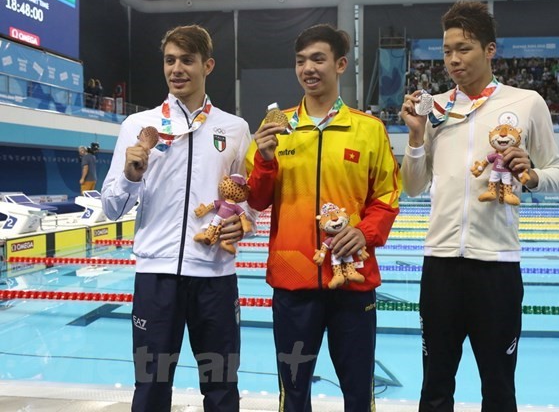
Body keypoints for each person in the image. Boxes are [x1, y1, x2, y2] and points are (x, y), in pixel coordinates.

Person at [399, 1, 559, 411]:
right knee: (435, 383)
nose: (453, 59)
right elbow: (413, 187)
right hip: (439, 263)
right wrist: (417, 136)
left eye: (464, 48)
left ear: (490, 50)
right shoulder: (435, 109)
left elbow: (558, 174)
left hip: (496, 266)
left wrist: (532, 176)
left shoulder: (526, 102)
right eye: (446, 50)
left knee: (498, 384)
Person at [245, 24, 401, 411]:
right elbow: (257, 200)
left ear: (341, 64)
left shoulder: (368, 130)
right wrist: (264, 161)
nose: (308, 68)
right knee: (294, 393)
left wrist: (364, 233)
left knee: (358, 393)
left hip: (352, 284)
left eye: (318, 59)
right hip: (292, 281)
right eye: (300, 61)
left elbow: (386, 197)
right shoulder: (275, 129)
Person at [101, 24, 255, 412]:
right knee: (150, 389)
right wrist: (131, 177)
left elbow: (249, 198)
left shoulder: (234, 129)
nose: (177, 68)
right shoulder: (138, 127)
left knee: (222, 388)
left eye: (187, 60)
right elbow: (110, 207)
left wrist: (244, 221)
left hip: (215, 280)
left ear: (208, 65)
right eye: (170, 60)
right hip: (156, 278)